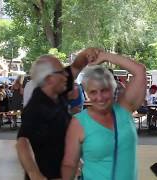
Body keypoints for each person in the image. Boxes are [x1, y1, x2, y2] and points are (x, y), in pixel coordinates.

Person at [16, 48, 102, 180]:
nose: (66, 75)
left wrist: (86, 55)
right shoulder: (36, 107)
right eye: (61, 72)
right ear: (49, 78)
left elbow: (76, 67)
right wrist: (35, 174)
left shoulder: (57, 94)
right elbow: (22, 142)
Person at [62, 53, 147, 180]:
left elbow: (140, 71)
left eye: (104, 90)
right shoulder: (79, 122)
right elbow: (69, 164)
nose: (100, 97)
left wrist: (105, 56)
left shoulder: (125, 108)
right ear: (87, 93)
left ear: (113, 89)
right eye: (93, 92)